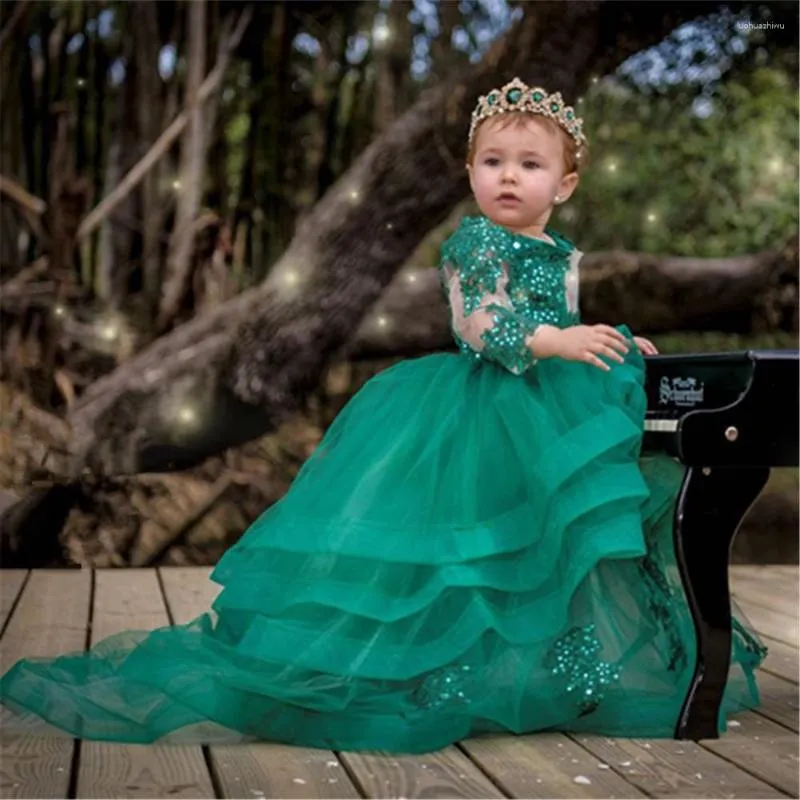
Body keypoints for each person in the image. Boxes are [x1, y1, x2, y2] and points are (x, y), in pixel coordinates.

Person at [0, 78, 765, 752]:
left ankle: (558, 673)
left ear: (563, 185)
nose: (509, 177)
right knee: (453, 550)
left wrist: (613, 343)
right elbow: (480, 324)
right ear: (470, 174)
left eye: (530, 165)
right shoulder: (473, 242)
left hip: (539, 408)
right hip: (472, 408)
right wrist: (556, 338)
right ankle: (426, 673)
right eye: (493, 162)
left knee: (544, 541)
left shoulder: (560, 249)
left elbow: (559, 324)